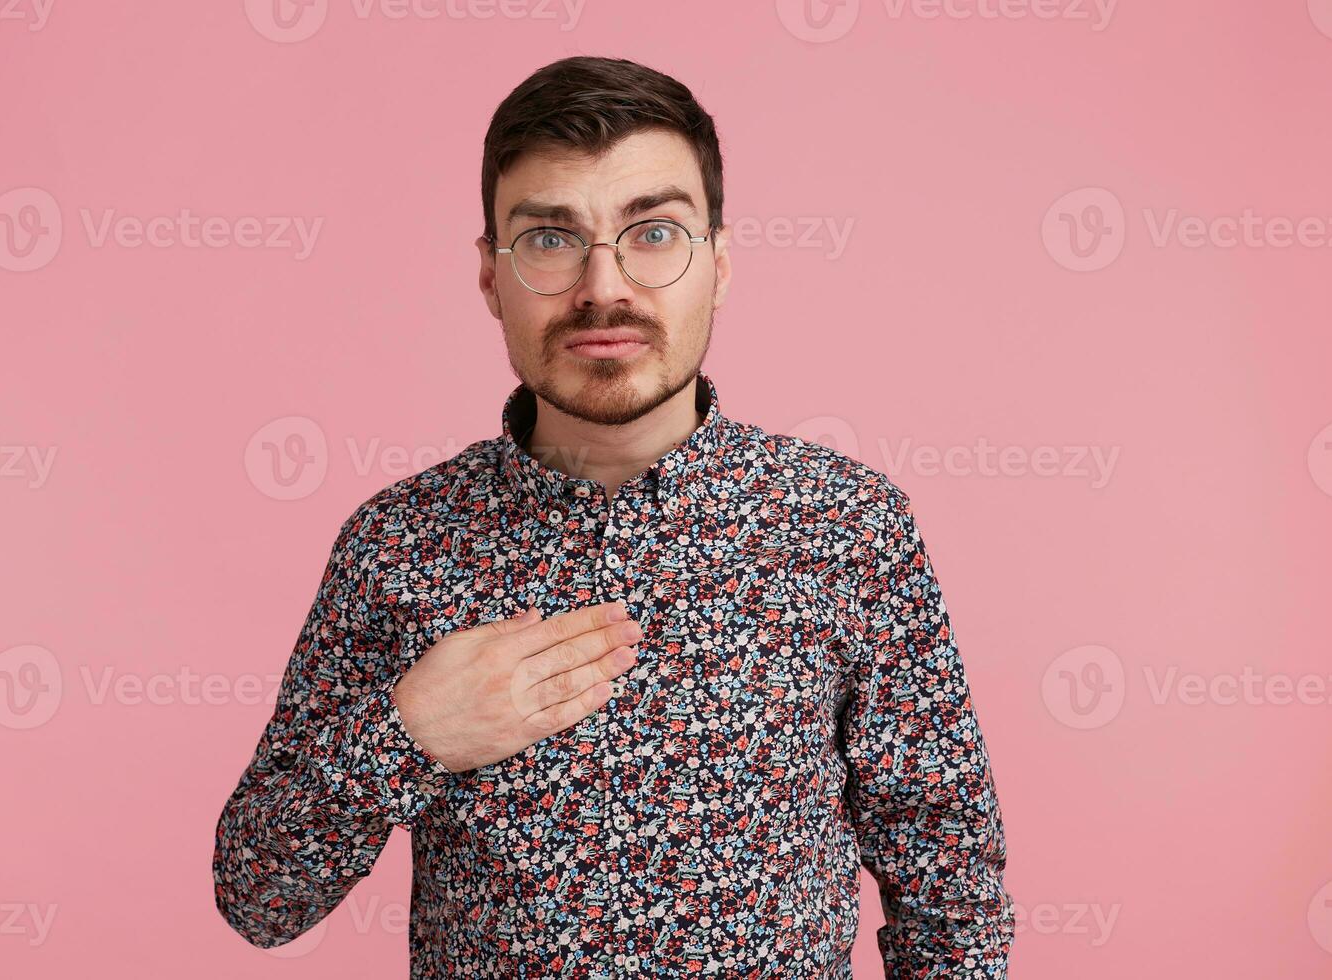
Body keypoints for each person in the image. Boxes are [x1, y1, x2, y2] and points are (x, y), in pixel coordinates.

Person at [213, 54, 1014, 978]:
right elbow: (259, 898)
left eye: (655, 232)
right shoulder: (397, 543)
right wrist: (409, 735)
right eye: (550, 239)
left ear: (717, 264)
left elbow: (947, 881)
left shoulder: (847, 526)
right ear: (489, 275)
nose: (603, 286)